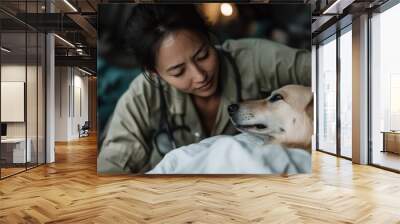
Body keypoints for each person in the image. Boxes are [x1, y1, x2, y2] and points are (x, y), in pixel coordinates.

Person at [97, 4, 311, 174]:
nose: (200, 76)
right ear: (155, 73)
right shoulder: (142, 97)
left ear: (210, 38)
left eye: (203, 55)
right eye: (178, 71)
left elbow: (335, 70)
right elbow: (112, 169)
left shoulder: (255, 58)